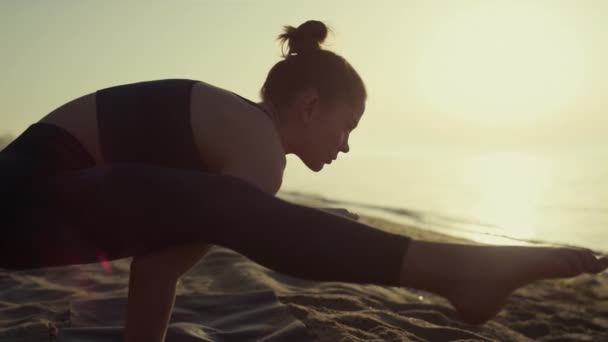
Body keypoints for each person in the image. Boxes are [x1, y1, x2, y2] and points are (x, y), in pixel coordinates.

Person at [0, 20, 606, 342]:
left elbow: (156, 270)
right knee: (231, 208)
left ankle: (453, 270)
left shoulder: (221, 149)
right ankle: (453, 270)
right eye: (347, 126)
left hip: (29, 203)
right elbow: (171, 254)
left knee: (220, 207)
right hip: (19, 200)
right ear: (310, 106)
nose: (346, 145)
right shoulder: (259, 152)